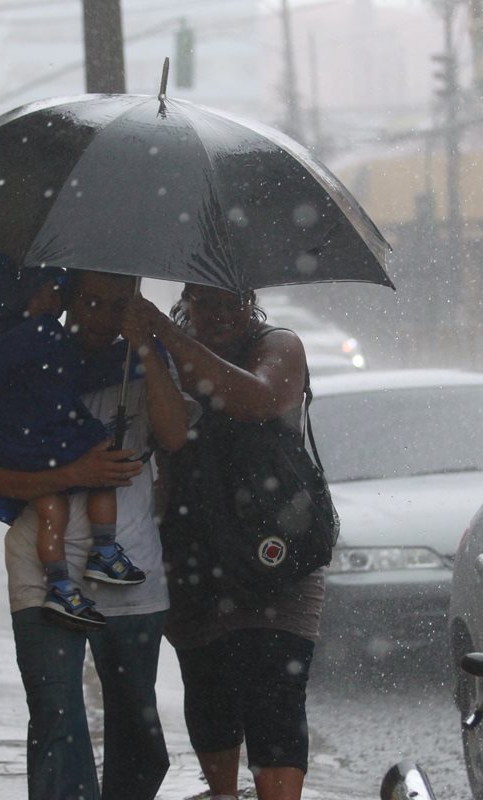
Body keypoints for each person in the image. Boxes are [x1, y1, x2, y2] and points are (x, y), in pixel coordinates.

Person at [0, 269, 191, 800]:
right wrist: (73, 474)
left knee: (137, 725)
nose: (101, 316)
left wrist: (144, 344)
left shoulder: (144, 363)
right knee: (55, 719)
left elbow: (176, 434)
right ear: (68, 299)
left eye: (118, 304)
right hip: (42, 572)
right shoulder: (24, 359)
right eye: (90, 301)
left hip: (128, 568)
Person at [123, 284, 321, 800]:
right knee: (209, 686)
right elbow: (160, 435)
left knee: (276, 692)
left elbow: (257, 399)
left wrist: (164, 332)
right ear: (186, 298)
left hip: (274, 550)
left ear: (250, 298)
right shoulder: (161, 352)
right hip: (192, 547)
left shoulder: (279, 345)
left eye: (232, 300)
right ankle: (223, 794)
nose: (221, 314)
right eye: (206, 301)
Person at [0, 253, 146, 629]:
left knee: (52, 511)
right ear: (33, 293)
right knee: (104, 467)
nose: (58, 297)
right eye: (55, 288)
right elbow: (80, 372)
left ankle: (60, 583)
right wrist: (138, 357)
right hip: (57, 438)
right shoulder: (46, 334)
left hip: (17, 448)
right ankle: (105, 549)